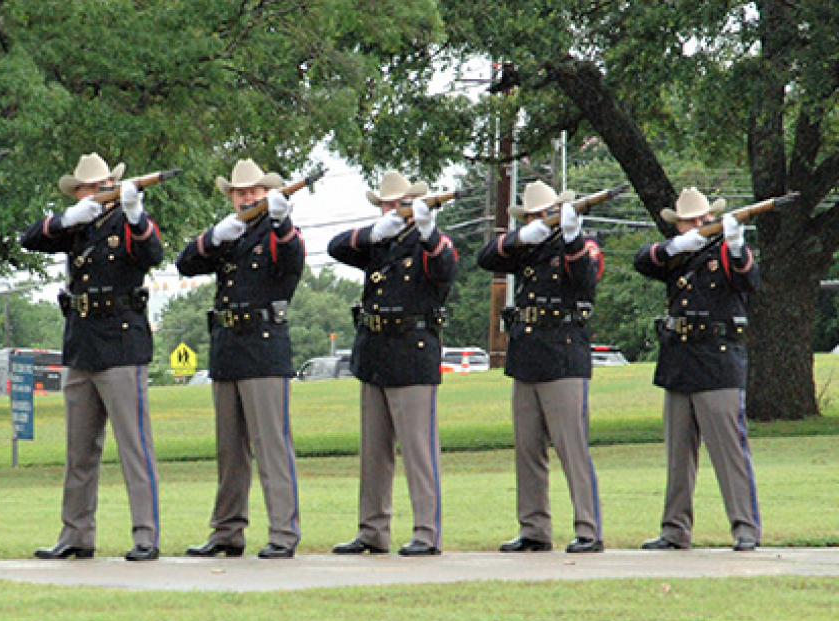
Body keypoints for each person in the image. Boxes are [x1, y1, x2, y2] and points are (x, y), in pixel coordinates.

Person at [23, 153, 163, 562]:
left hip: (121, 339)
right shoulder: (77, 225)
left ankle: (145, 535)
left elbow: (152, 253)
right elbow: (31, 238)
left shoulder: (128, 219)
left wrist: (136, 214)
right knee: (79, 450)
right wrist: (67, 218)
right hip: (81, 340)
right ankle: (76, 534)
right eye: (86, 188)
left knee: (134, 446)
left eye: (100, 186)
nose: (94, 193)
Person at [176, 158, 305, 559]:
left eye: (252, 191)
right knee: (230, 451)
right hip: (228, 346)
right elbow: (185, 264)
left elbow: (291, 265)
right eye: (239, 192)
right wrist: (212, 237)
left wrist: (281, 224)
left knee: (271, 448)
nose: (246, 196)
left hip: (264, 346)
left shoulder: (279, 231)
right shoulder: (230, 233)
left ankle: (284, 532)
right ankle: (227, 531)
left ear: (266, 193)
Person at [327, 172, 457, 557]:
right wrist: (374, 232)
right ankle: (372, 530)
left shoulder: (429, 241)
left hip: (412, 351)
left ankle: (426, 532)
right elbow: (337, 248)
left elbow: (445, 268)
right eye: (385, 204)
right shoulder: (378, 243)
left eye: (397, 203)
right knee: (374, 451)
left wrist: (428, 230)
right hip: (375, 352)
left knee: (418, 450)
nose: (391, 210)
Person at [476, 181, 605, 554]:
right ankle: (534, 528)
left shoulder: (579, 244)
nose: (536, 220)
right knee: (528, 448)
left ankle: (588, 528)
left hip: (563, 353)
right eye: (530, 215)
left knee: (572, 448)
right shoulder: (526, 248)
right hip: (527, 354)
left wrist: (571, 237)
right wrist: (520, 237)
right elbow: (487, 258)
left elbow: (585, 281)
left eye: (540, 214)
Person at [633, 187, 761, 552]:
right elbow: (643, 261)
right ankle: (674, 529)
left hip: (718, 359)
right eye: (684, 222)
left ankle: (745, 528)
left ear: (709, 220)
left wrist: (736, 247)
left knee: (729, 453)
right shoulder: (676, 253)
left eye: (695, 221)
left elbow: (749, 281)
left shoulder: (724, 250)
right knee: (678, 456)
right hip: (679, 360)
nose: (689, 227)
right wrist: (674, 247)